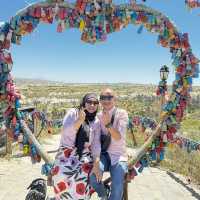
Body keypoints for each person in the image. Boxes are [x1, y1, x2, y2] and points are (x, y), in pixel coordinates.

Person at [51, 93, 101, 200]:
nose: (92, 105)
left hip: (84, 154)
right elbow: (65, 133)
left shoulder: (96, 122)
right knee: (60, 174)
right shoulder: (73, 113)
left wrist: (96, 162)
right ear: (84, 103)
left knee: (83, 177)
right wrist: (79, 121)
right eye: (89, 102)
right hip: (66, 151)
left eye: (95, 103)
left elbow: (96, 144)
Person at [90, 88, 129, 200]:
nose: (106, 100)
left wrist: (108, 124)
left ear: (114, 98)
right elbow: (96, 140)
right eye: (103, 98)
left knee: (117, 187)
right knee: (93, 178)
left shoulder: (122, 114)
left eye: (109, 97)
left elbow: (118, 137)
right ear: (100, 100)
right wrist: (96, 161)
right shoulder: (98, 116)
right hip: (103, 154)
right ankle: (103, 194)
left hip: (118, 155)